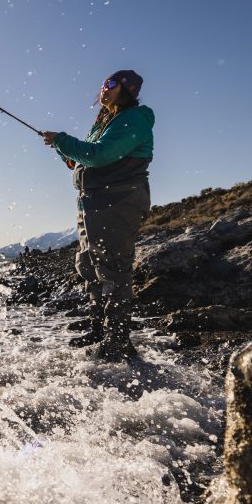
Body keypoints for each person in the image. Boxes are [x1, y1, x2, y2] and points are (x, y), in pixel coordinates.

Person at [41, 70, 153, 361]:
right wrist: (61, 147)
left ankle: (117, 340)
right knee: (89, 264)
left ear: (126, 90)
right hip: (92, 202)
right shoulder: (107, 120)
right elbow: (82, 159)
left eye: (111, 84)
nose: (104, 88)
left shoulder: (133, 119)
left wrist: (63, 140)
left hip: (118, 202)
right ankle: (99, 327)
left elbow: (99, 155)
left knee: (114, 268)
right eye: (104, 83)